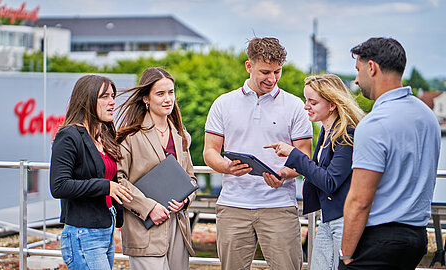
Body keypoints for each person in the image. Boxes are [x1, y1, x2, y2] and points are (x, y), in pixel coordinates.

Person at [203, 37, 313, 270]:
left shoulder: (295, 106)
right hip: (233, 205)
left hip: (280, 205)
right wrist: (226, 167)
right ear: (248, 66)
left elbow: (305, 156)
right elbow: (210, 151)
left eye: (277, 72)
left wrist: (284, 173)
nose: (272, 79)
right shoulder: (223, 103)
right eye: (265, 72)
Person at [339, 37, 441, 270]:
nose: (356, 79)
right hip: (416, 237)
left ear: (372, 67)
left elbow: (360, 201)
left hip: (380, 240)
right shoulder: (426, 116)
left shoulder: (374, 123)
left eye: (358, 70)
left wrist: (345, 255)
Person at [264, 74, 364, 270]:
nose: (306, 106)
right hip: (329, 219)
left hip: (342, 221)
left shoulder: (346, 135)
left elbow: (329, 181)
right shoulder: (327, 132)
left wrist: (293, 154)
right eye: (306, 100)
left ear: (332, 104)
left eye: (313, 102)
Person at [115, 67, 197, 270]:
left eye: (171, 92)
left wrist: (185, 200)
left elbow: (191, 179)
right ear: (146, 98)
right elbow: (118, 181)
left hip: (178, 227)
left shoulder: (181, 136)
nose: (168, 99)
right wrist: (149, 208)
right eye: (160, 94)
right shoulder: (129, 137)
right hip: (144, 229)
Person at [50, 75, 133, 270]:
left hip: (106, 229)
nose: (112, 101)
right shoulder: (68, 136)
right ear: (87, 99)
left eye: (113, 96)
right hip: (83, 233)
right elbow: (59, 186)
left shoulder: (105, 135)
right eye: (104, 96)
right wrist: (106, 186)